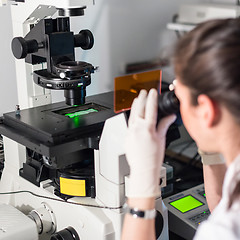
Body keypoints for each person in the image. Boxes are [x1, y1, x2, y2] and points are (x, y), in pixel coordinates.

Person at [121, 18, 240, 240]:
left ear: (206, 110)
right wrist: (212, 135)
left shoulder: (224, 230)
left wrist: (142, 184)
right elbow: (220, 206)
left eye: (179, 94)